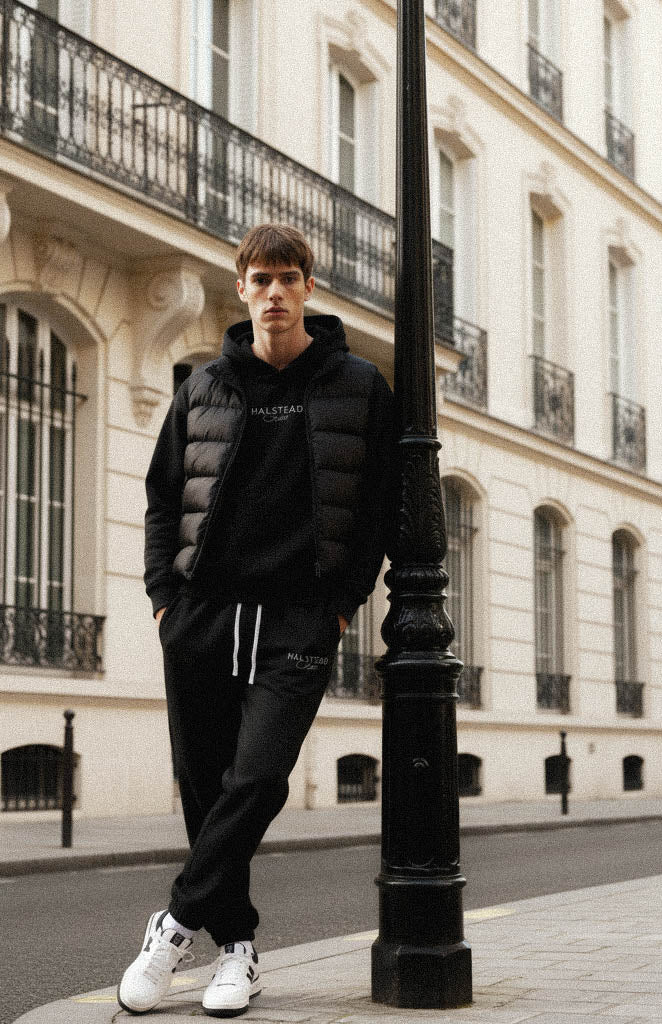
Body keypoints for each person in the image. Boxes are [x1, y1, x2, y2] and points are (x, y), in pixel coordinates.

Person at [117, 223, 396, 1017]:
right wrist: (162, 599)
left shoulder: (356, 385)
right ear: (240, 289)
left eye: (287, 278)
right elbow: (163, 497)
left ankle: (172, 928)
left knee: (259, 777)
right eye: (260, 279)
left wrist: (341, 602)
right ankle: (235, 951)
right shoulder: (203, 384)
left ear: (309, 288)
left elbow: (376, 508)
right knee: (206, 790)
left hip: (296, 619)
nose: (273, 292)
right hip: (202, 612)